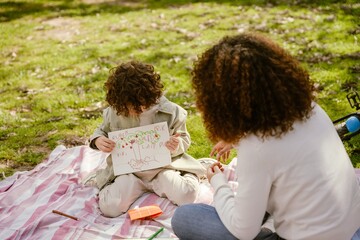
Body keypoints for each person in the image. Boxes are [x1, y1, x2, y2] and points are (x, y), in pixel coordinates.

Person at [171, 33, 360, 240]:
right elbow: (283, 146)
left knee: (184, 217)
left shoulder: (257, 148)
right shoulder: (310, 108)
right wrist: (237, 139)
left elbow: (244, 230)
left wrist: (217, 181)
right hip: (350, 227)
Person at [88, 60, 206, 218]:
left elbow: (184, 138)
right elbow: (101, 131)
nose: (134, 111)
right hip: (130, 173)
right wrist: (98, 140)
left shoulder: (171, 112)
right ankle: (109, 184)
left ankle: (190, 174)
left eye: (140, 105)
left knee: (187, 196)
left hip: (163, 169)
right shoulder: (113, 113)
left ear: (151, 95)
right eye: (128, 107)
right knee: (109, 208)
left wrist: (176, 144)